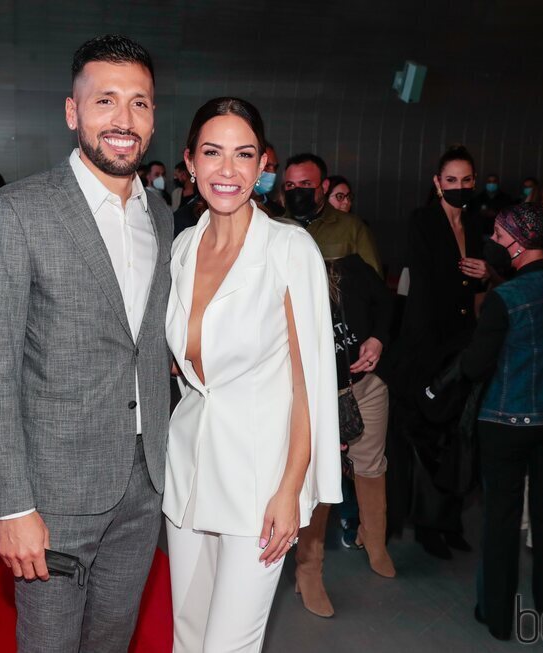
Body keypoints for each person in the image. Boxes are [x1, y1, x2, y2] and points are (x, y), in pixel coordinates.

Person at [0, 35, 173, 653]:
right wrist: (11, 506)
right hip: (52, 493)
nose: (124, 120)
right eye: (105, 100)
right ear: (72, 111)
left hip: (144, 483)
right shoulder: (17, 211)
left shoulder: (161, 214)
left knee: (112, 641)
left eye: (140, 104)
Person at [165, 96, 340, 651]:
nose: (227, 169)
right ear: (189, 162)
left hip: (259, 480)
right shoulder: (184, 247)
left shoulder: (289, 249)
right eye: (212, 153)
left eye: (244, 155)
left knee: (227, 647)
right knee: (188, 635)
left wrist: (292, 489)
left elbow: (308, 383)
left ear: (263, 165)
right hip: (188, 467)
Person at [434, 202, 543, 641]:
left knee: (502, 523)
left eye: (498, 233)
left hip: (504, 423)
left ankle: (497, 616)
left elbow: (475, 365)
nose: (493, 240)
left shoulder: (506, 298)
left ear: (517, 241)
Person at [391, 144, 490, 560]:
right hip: (427, 346)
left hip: (464, 343)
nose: (459, 187)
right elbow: (426, 286)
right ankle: (429, 526)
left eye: (466, 180)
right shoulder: (423, 221)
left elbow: (481, 285)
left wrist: (487, 273)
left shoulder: (478, 223)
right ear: (437, 183)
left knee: (457, 436)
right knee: (427, 437)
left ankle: (449, 522)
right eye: (452, 180)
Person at [294, 242, 396, 619]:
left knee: (371, 464)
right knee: (321, 478)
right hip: (316, 397)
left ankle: (374, 542)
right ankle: (308, 571)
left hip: (364, 386)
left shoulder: (350, 269)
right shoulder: (279, 284)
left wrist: (378, 338)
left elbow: (386, 303)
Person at [282, 153, 382, 276]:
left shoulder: (352, 228)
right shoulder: (276, 226)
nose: (297, 191)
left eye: (306, 184)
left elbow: (373, 282)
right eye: (290, 185)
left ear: (324, 186)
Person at [253, 143, 283, 217]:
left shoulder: (279, 212)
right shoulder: (230, 207)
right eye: (267, 166)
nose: (272, 172)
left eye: (275, 167)